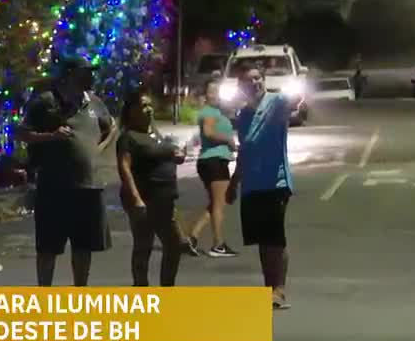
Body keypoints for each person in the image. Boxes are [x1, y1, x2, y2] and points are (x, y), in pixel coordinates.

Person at [16, 57, 113, 287]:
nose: (91, 76)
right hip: (54, 189)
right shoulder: (46, 102)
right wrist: (51, 136)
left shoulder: (95, 103)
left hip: (89, 188)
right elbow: (21, 133)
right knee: (49, 248)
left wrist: (98, 148)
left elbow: (111, 126)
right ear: (70, 74)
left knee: (83, 247)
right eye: (86, 72)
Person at [228, 63, 301, 310]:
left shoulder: (277, 102)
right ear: (241, 86)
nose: (255, 83)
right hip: (251, 185)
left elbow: (295, 101)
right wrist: (233, 184)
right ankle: (268, 288)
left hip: (275, 182)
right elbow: (243, 152)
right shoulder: (243, 115)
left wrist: (297, 93)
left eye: (258, 78)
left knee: (275, 238)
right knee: (261, 240)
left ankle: (279, 289)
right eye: (249, 80)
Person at [116, 91, 186, 286]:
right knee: (144, 245)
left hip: (165, 197)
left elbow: (162, 154)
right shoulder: (129, 137)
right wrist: (136, 199)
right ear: (132, 112)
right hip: (146, 198)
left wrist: (176, 155)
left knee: (174, 245)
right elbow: (124, 168)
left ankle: (167, 288)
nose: (148, 110)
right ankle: (141, 287)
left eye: (149, 105)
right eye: (143, 106)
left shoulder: (154, 132)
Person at [186, 79, 239, 258]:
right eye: (211, 92)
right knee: (219, 205)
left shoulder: (217, 112)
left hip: (214, 161)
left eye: (218, 91)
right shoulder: (209, 112)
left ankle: (192, 236)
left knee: (216, 204)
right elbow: (209, 132)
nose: (215, 95)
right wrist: (229, 141)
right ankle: (218, 245)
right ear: (205, 95)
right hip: (214, 160)